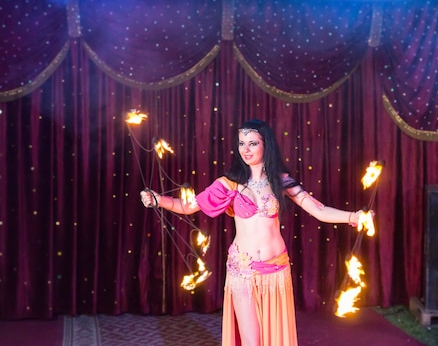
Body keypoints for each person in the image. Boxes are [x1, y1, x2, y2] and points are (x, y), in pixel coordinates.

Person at [140, 119, 362, 346]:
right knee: (251, 342)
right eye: (241, 143)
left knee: (274, 338)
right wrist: (159, 200)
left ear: (266, 145)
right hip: (242, 270)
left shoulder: (281, 181)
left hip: (276, 270)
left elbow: (319, 210)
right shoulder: (229, 184)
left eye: (252, 143)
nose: (245, 149)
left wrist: (354, 217)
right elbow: (188, 206)